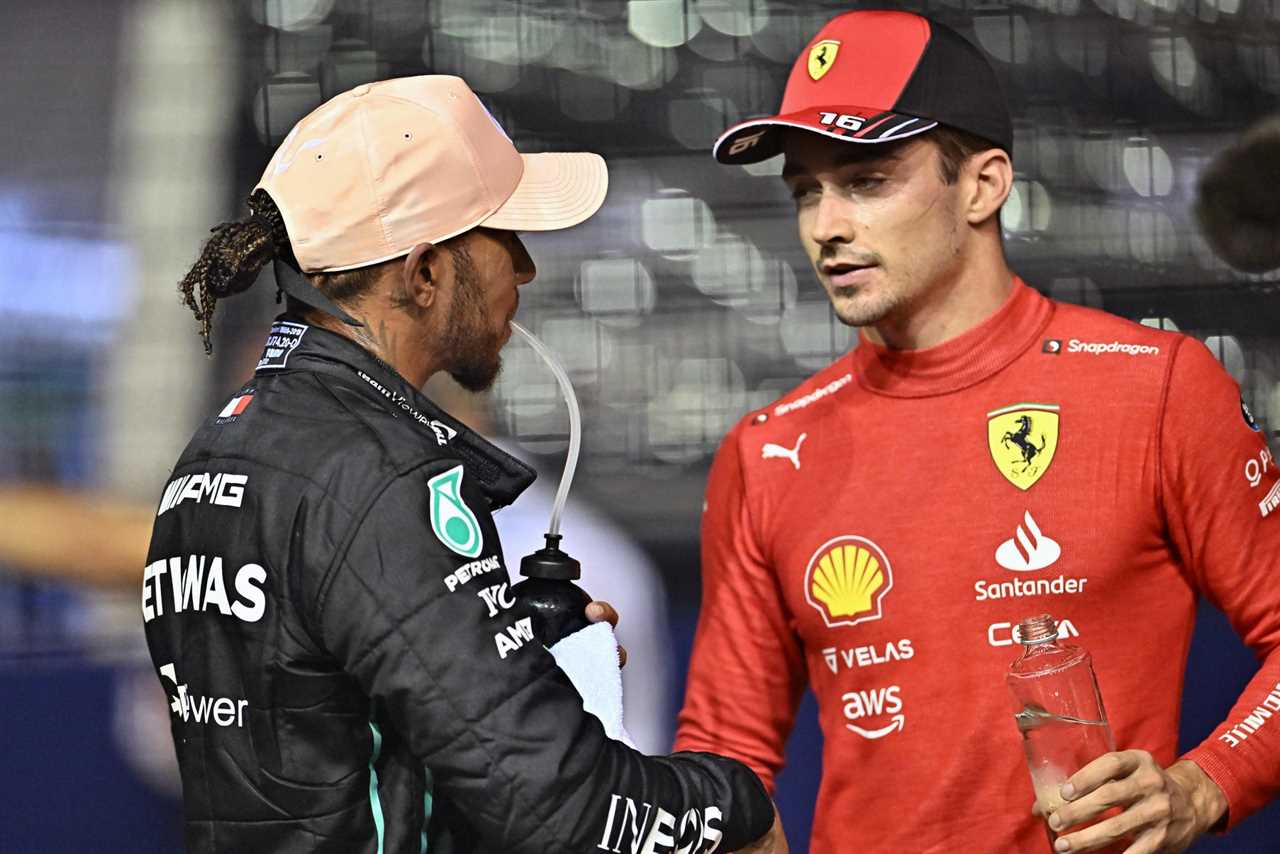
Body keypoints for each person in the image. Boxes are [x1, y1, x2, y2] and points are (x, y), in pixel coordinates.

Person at [675, 10, 1280, 853]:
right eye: (806, 190)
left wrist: (1204, 784)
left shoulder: (1155, 387)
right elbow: (723, 756)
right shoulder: (768, 449)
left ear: (985, 184)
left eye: (866, 180)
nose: (825, 226)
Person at [146, 75, 783, 854]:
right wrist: (734, 806)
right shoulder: (380, 473)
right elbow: (559, 812)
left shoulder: (212, 454)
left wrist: (512, 667)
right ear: (424, 275)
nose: (525, 268)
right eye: (503, 236)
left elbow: (326, 765)